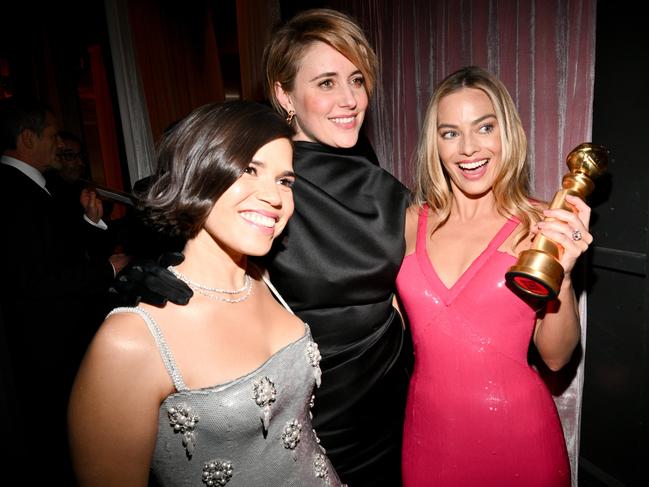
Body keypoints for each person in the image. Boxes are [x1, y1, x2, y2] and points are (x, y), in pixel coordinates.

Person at [113, 9, 413, 486]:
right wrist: (156, 263)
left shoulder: (383, 184)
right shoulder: (256, 192)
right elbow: (198, 236)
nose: (350, 99)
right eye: (327, 82)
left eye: (356, 79)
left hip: (390, 405)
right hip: (307, 420)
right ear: (283, 93)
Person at [68, 101, 343, 487]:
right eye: (249, 170)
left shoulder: (268, 280)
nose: (275, 197)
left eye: (285, 180)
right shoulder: (131, 340)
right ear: (199, 174)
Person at [396, 65, 589, 486]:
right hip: (428, 438)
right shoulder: (410, 222)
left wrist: (566, 277)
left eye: (484, 128)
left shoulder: (539, 225)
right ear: (436, 144)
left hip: (520, 439)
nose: (468, 148)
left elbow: (557, 357)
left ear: (508, 134)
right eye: (450, 133)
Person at [0, 97, 128, 483]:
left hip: (58, 340)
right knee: (61, 443)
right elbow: (34, 279)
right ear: (27, 137)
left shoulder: (37, 188)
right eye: (54, 135)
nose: (60, 145)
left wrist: (92, 225)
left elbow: (60, 250)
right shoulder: (13, 195)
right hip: (48, 346)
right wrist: (106, 269)